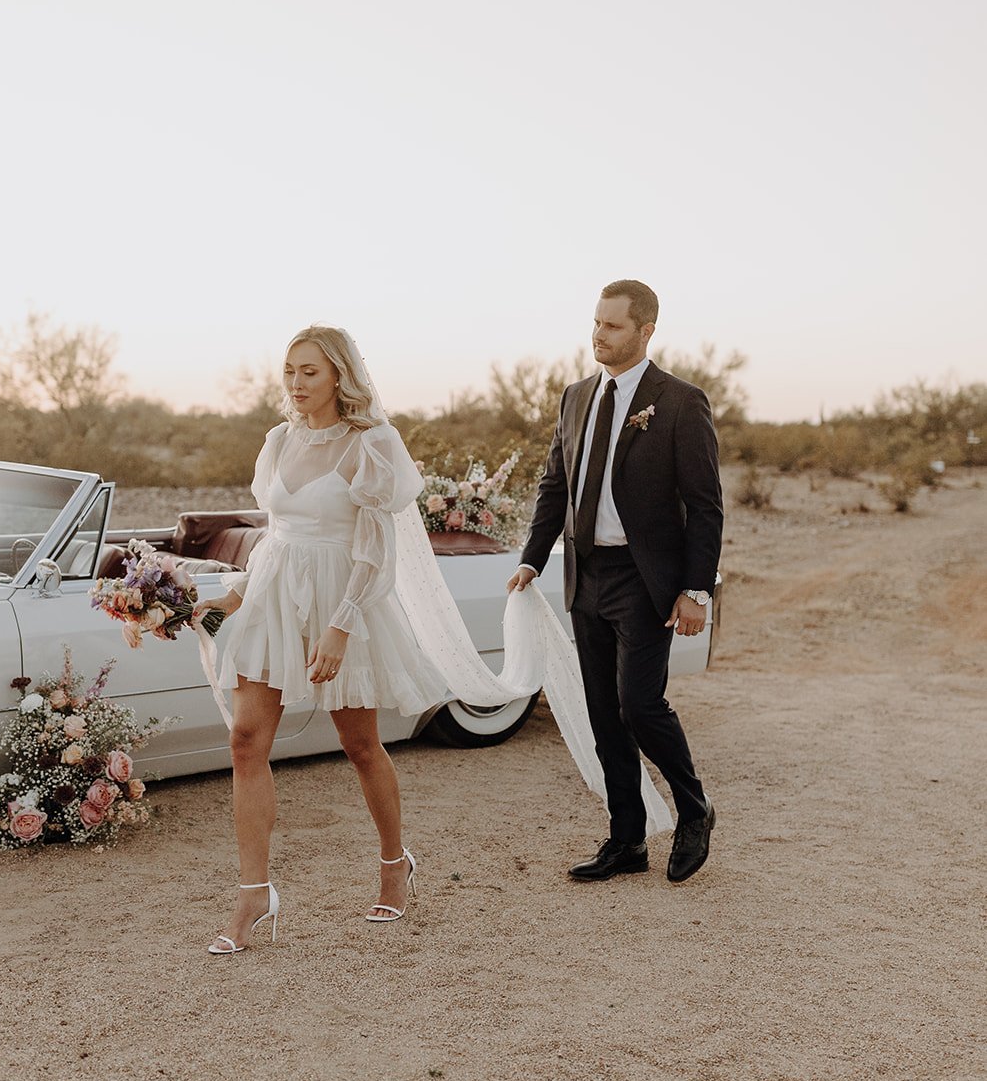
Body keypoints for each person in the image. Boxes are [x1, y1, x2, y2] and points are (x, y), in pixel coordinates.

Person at [193, 325, 447, 954]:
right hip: (275, 595)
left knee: (359, 743)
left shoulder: (372, 444)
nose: (297, 384)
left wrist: (342, 623)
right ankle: (255, 893)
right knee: (246, 739)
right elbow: (275, 534)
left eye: (310, 371)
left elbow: (373, 546)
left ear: (339, 375)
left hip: (343, 597)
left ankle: (395, 863)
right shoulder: (278, 441)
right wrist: (235, 594)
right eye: (289, 371)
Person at [509, 279, 723, 883]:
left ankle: (694, 808)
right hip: (586, 573)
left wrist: (696, 589)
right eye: (596, 323)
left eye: (614, 326)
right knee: (603, 711)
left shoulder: (680, 402)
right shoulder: (575, 396)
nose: (599, 335)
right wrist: (533, 557)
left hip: (645, 576)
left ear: (646, 331)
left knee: (639, 705)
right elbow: (557, 484)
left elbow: (705, 506)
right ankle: (627, 840)